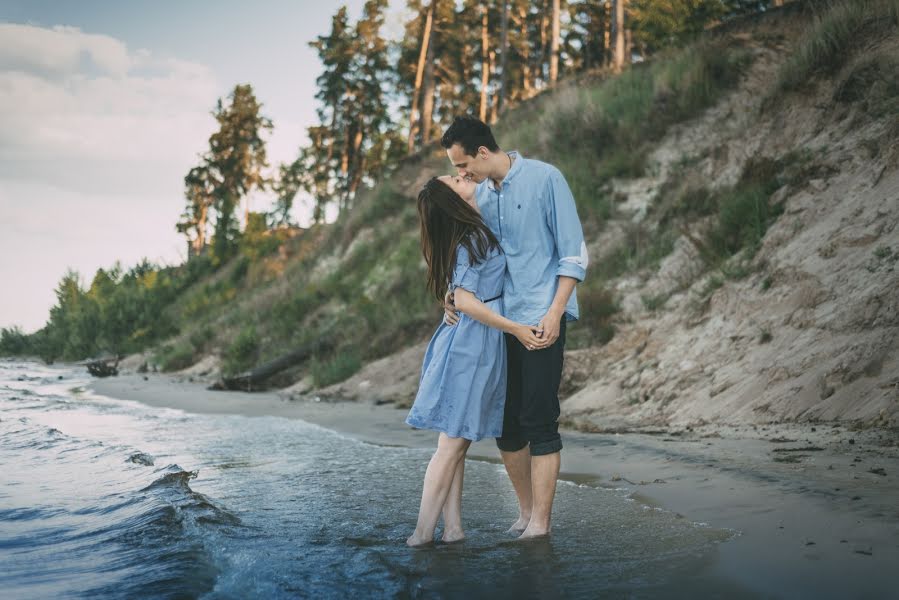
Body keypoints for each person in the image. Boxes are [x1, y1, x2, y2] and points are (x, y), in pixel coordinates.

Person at [440, 116, 588, 539]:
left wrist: (556, 312)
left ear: (483, 153)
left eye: (464, 165)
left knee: (540, 418)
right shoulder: (478, 197)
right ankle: (525, 512)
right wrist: (451, 295)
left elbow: (573, 253)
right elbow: (470, 259)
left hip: (542, 317)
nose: (461, 174)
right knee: (507, 427)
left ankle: (541, 522)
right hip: (500, 326)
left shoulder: (545, 179)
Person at [405, 174, 543, 547]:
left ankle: (453, 528)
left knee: (454, 442)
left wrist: (454, 296)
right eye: (453, 178)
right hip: (472, 346)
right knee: (451, 445)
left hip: (468, 341)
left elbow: (462, 293)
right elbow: (466, 300)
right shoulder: (472, 238)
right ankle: (421, 533)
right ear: (452, 201)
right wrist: (514, 327)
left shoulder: (469, 234)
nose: (460, 176)